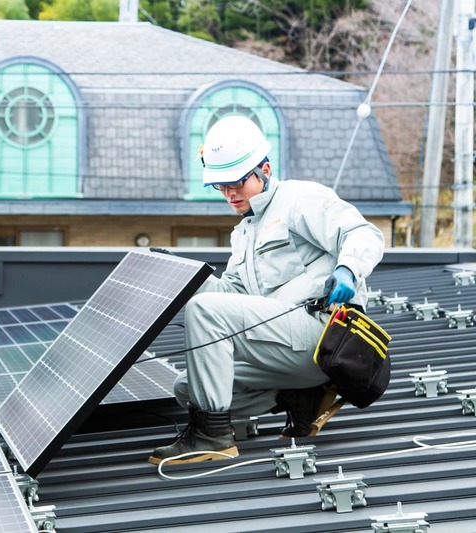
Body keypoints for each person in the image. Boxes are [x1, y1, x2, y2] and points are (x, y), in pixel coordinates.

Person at [149, 115, 385, 465]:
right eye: (220, 186)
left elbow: (364, 234)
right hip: (284, 346)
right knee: (188, 388)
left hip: (325, 336)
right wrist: (185, 277)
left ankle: (211, 436)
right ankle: (299, 397)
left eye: (237, 183)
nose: (229, 193)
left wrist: (347, 268)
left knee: (206, 315)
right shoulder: (243, 233)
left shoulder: (299, 198)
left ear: (265, 169)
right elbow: (232, 296)